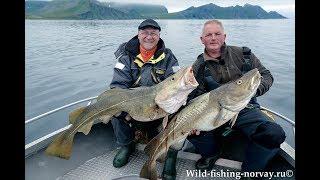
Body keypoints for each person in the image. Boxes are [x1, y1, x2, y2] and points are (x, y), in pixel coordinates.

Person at [186, 20, 286, 175]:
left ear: (224, 36)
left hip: (246, 108)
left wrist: (252, 91)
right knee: (192, 132)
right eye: (208, 35)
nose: (213, 38)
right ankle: (211, 154)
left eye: (217, 34)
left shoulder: (244, 54)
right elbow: (195, 97)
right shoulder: (197, 67)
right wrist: (193, 121)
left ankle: (251, 170)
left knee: (273, 133)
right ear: (202, 39)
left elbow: (266, 75)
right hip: (214, 110)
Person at [109, 19, 180, 179]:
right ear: (138, 34)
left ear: (159, 35)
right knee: (115, 109)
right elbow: (118, 86)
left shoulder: (168, 57)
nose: (149, 36)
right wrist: (125, 110)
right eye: (145, 33)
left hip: (159, 107)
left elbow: (174, 82)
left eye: (153, 33)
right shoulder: (125, 57)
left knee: (180, 112)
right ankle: (126, 145)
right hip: (133, 107)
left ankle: (171, 155)